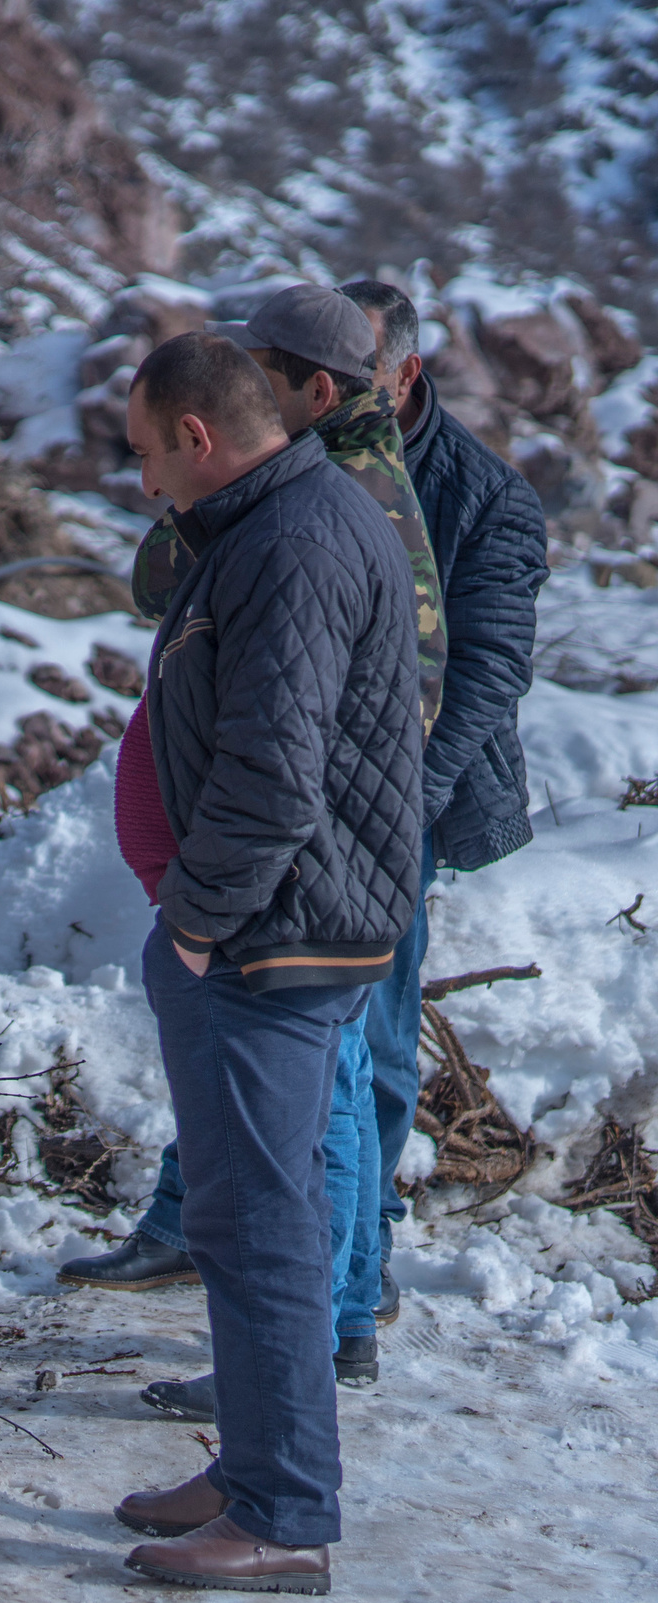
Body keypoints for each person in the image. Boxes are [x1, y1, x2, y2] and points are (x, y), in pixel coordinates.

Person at [65, 284, 440, 1403]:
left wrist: (193, 916)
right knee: (273, 1165)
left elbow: (280, 762)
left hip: (281, 909)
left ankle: (301, 1391)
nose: (142, 482)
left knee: (289, 1165)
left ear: (311, 390)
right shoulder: (290, 507)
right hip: (275, 896)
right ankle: (282, 1404)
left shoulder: (309, 522)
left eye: (270, 370)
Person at [343, 278, 547, 1278]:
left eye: (353, 375)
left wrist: (409, 801)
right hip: (306, 771)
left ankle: (363, 1252)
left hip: (406, 789)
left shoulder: (484, 492)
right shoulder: (304, 447)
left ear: (404, 373)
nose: (327, 394)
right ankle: (183, 1219)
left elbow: (490, 669)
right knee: (246, 1013)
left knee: (375, 1018)